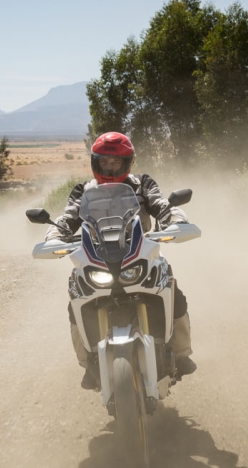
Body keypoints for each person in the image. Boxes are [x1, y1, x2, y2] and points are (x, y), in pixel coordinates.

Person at [46, 131, 196, 390]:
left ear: (128, 163)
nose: (110, 167)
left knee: (172, 289)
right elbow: (68, 216)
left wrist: (176, 221)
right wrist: (54, 236)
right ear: (96, 162)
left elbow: (161, 204)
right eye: (105, 161)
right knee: (75, 301)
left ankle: (181, 354)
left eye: (116, 162)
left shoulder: (143, 184)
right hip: (97, 258)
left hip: (140, 253)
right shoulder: (84, 190)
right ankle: (88, 363)